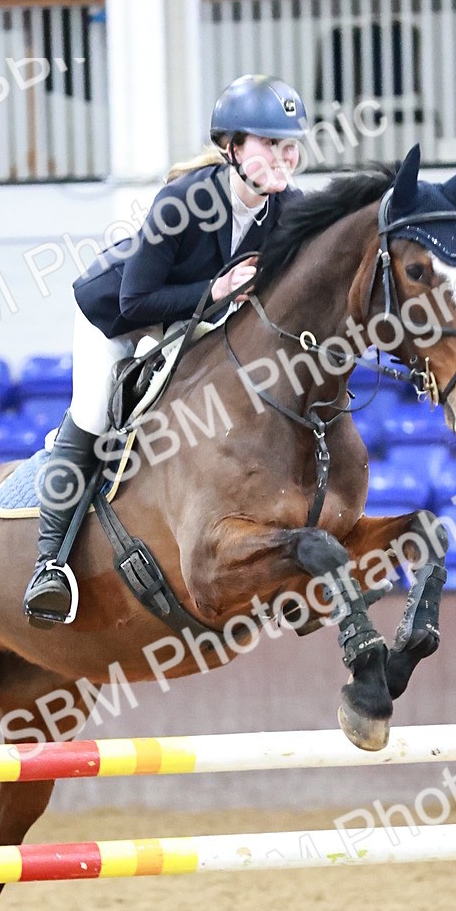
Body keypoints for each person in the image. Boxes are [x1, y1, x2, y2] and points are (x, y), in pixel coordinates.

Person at [23, 74, 308, 625]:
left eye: (289, 144)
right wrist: (214, 291)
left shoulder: (285, 212)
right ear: (232, 147)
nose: (283, 156)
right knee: (91, 414)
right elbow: (136, 301)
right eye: (270, 143)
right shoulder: (186, 200)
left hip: (189, 321)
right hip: (117, 317)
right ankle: (48, 564)